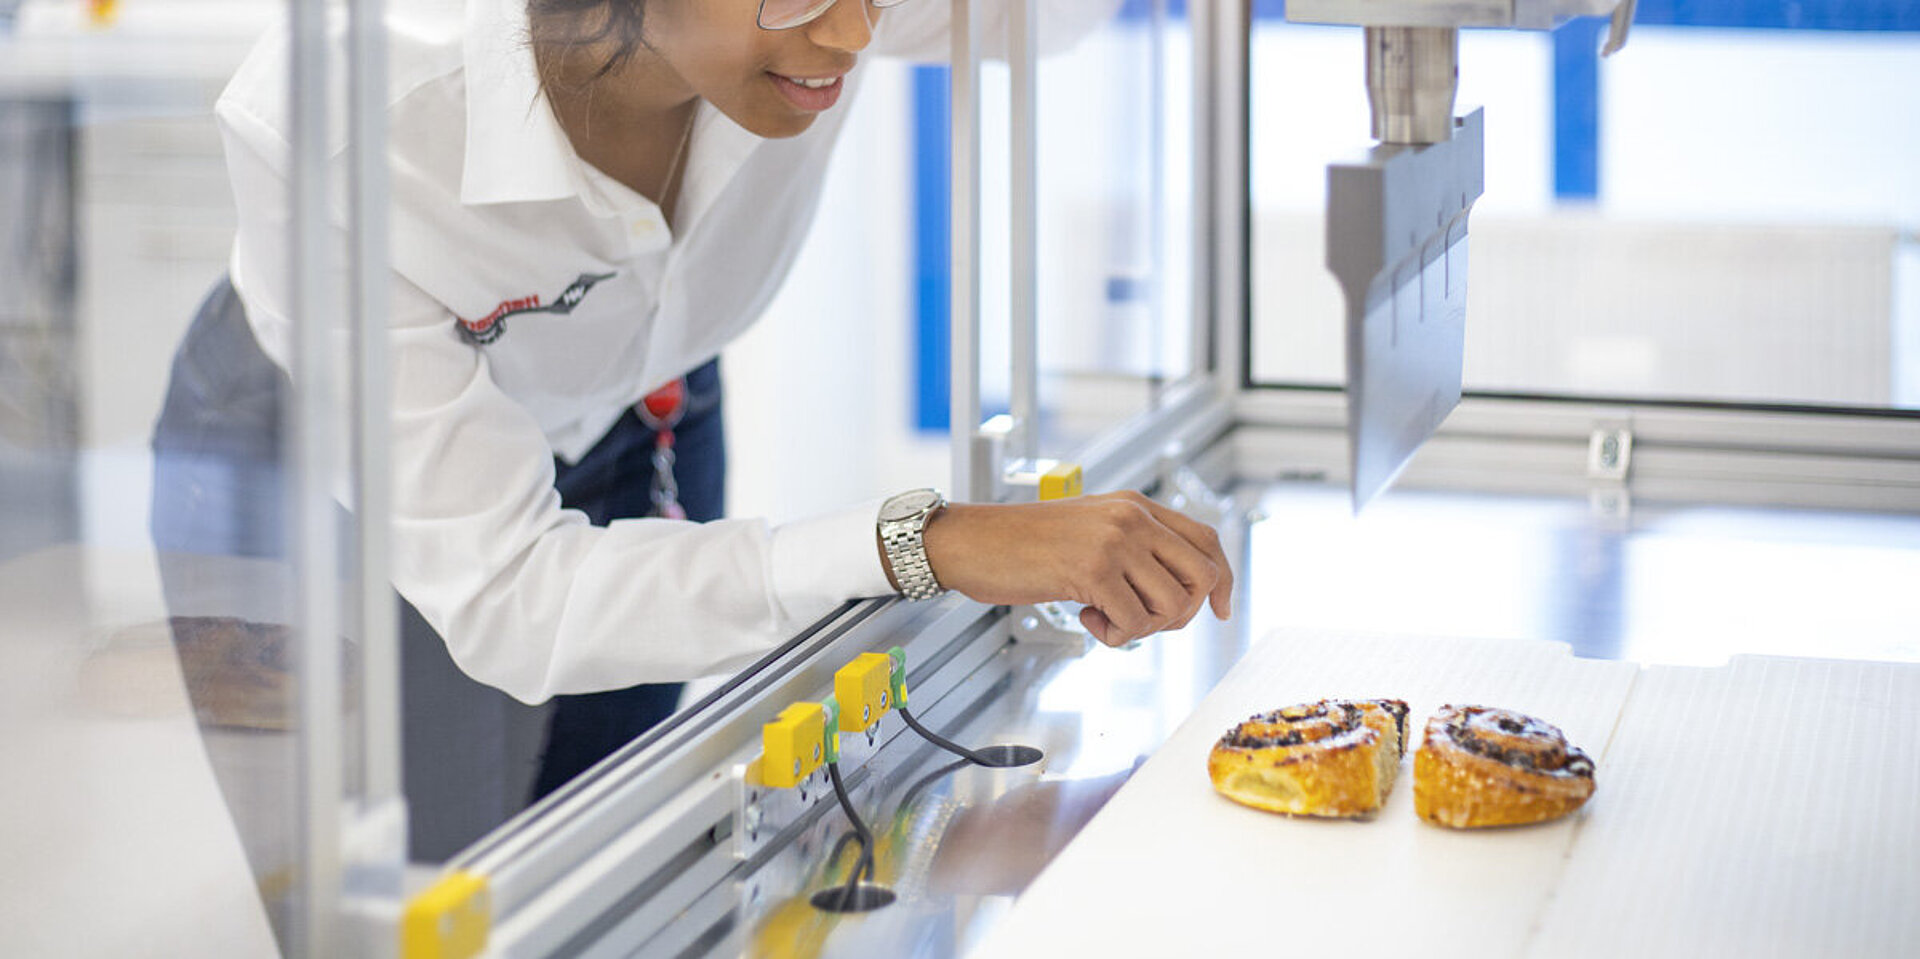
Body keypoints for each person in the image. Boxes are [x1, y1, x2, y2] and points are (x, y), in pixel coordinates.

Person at [152, 0, 1233, 868]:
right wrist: (929, 539)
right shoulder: (340, 121)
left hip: (641, 408)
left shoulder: (813, 22)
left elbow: (1055, 19)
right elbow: (514, 598)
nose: (856, 32)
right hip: (328, 465)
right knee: (430, 892)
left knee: (618, 849)